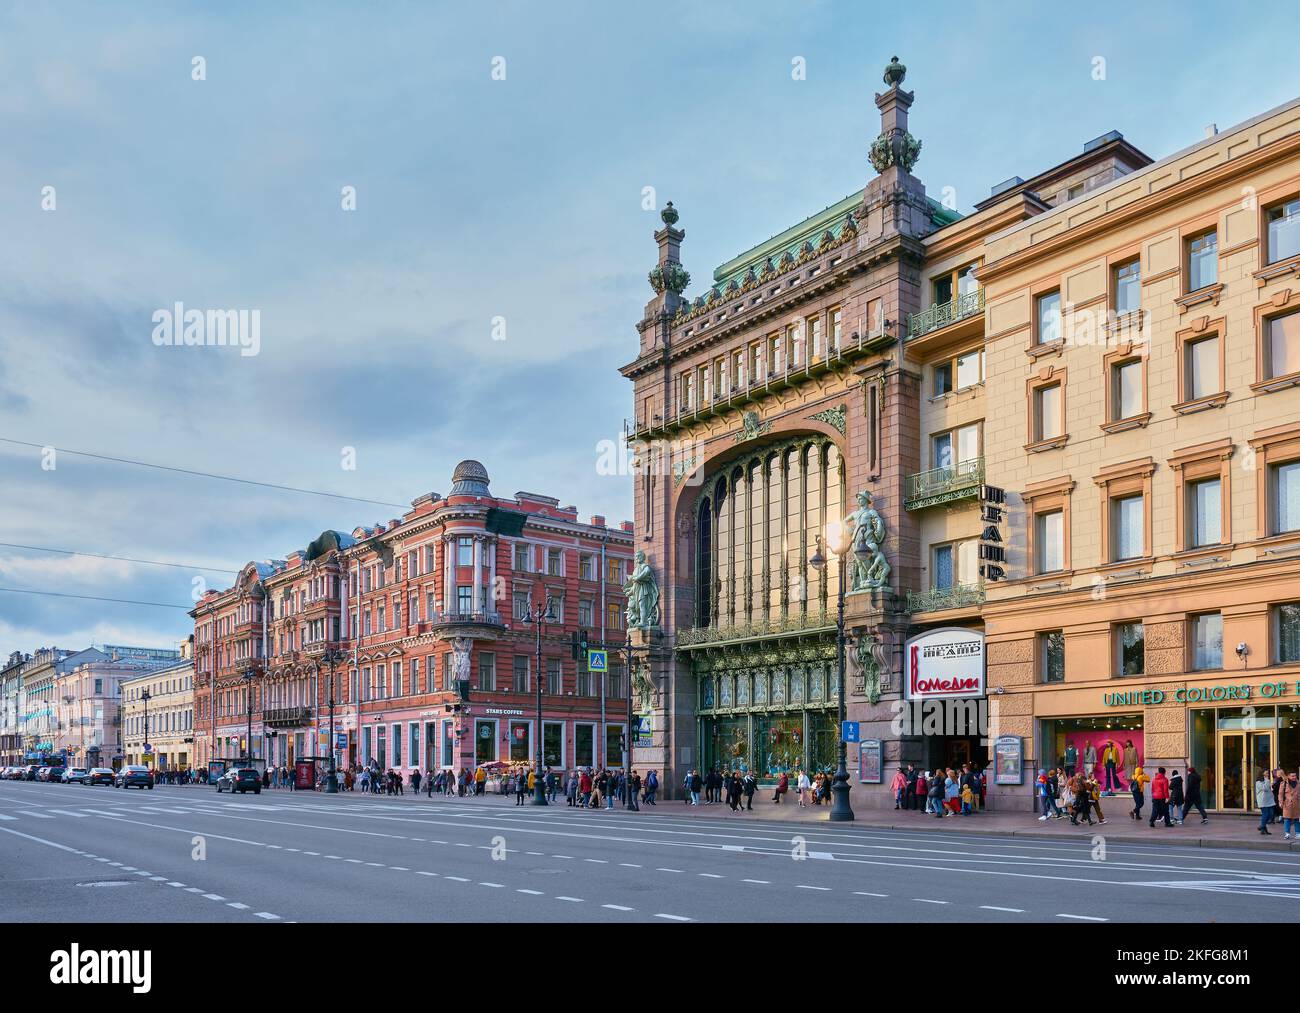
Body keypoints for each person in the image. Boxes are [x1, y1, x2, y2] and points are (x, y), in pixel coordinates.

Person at [1280, 770, 1300, 840]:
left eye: (1295, 776)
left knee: (1297, 819)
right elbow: (1280, 794)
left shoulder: (1298, 783)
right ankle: (1287, 833)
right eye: (1292, 776)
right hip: (1287, 804)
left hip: (1297, 804)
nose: (1294, 777)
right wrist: (1281, 802)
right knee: (1287, 819)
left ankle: (1298, 833)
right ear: (1288, 776)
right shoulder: (1284, 784)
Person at [1256, 769, 1275, 834]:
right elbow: (1265, 788)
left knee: (1271, 814)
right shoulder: (1258, 782)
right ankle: (1262, 827)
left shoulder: (1267, 781)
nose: (1268, 775)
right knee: (1266, 814)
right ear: (1262, 774)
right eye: (1266, 773)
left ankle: (1262, 827)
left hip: (1269, 800)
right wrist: (1267, 780)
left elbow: (1269, 788)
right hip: (1263, 801)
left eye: (1268, 773)